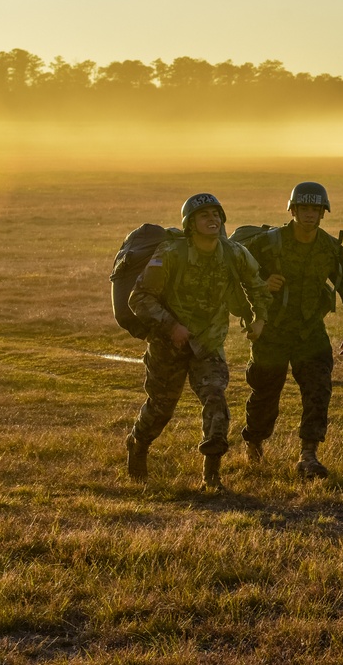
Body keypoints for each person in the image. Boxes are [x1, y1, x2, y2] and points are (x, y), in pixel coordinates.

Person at [125, 193, 272, 492]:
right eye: (204, 215)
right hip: (169, 344)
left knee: (215, 397)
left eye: (217, 214)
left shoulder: (233, 253)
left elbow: (257, 285)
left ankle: (212, 474)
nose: (213, 220)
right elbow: (138, 298)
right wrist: (171, 326)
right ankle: (138, 445)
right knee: (161, 408)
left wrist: (259, 319)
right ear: (190, 224)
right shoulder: (171, 253)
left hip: (208, 343)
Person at [240, 182, 343, 478]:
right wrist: (261, 283)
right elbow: (235, 272)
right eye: (304, 208)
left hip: (310, 333)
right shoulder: (268, 243)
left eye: (315, 209)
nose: (310, 215)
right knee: (266, 392)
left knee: (318, 390)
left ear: (323, 213)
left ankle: (308, 455)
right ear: (293, 210)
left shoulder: (331, 249)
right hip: (272, 331)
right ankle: (254, 443)